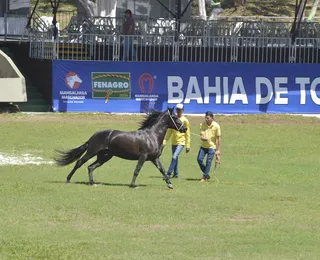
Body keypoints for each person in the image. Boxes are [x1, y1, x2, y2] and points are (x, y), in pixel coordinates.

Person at [163, 104, 190, 178]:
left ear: (183, 110)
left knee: (174, 157)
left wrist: (188, 145)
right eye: (177, 109)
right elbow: (169, 132)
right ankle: (176, 174)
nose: (178, 111)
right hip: (174, 142)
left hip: (181, 142)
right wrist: (164, 141)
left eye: (180, 110)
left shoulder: (185, 120)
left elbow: (187, 133)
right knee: (176, 158)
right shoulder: (173, 119)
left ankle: (168, 174)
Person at [197, 111, 221, 182]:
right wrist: (204, 138)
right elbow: (201, 136)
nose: (206, 119)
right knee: (199, 159)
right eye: (205, 118)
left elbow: (219, 138)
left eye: (208, 118)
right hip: (204, 146)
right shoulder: (202, 125)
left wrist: (218, 150)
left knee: (209, 161)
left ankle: (204, 177)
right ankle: (206, 174)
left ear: (212, 118)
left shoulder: (216, 126)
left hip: (212, 147)